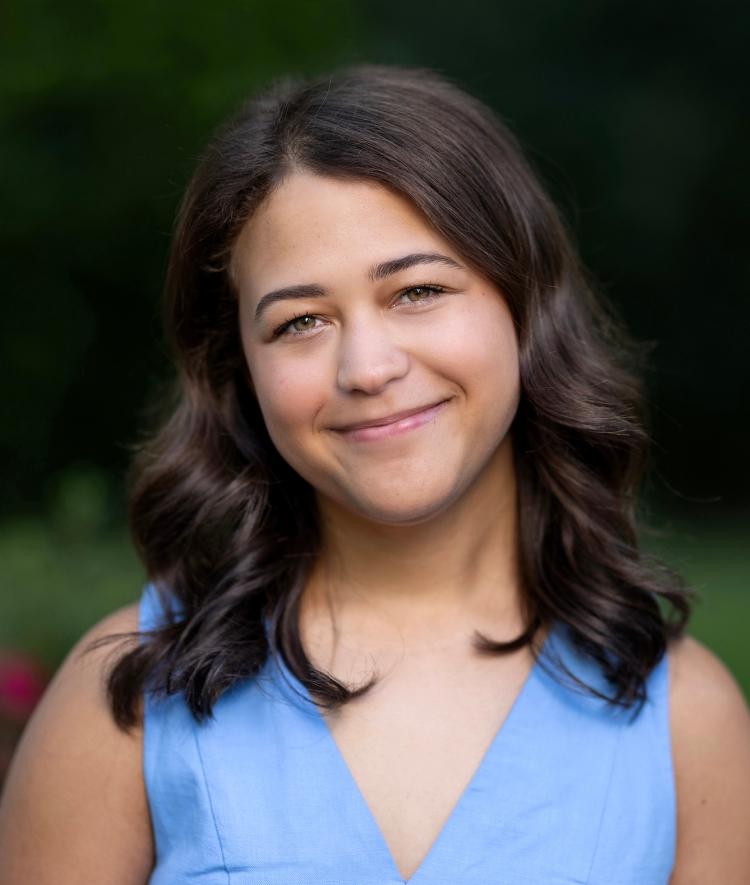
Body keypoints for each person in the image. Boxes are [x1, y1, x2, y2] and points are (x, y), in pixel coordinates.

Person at [0, 64, 748, 884]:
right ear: (239, 366)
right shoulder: (129, 700)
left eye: (418, 290)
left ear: (524, 300)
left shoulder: (687, 723)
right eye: (301, 321)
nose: (367, 365)